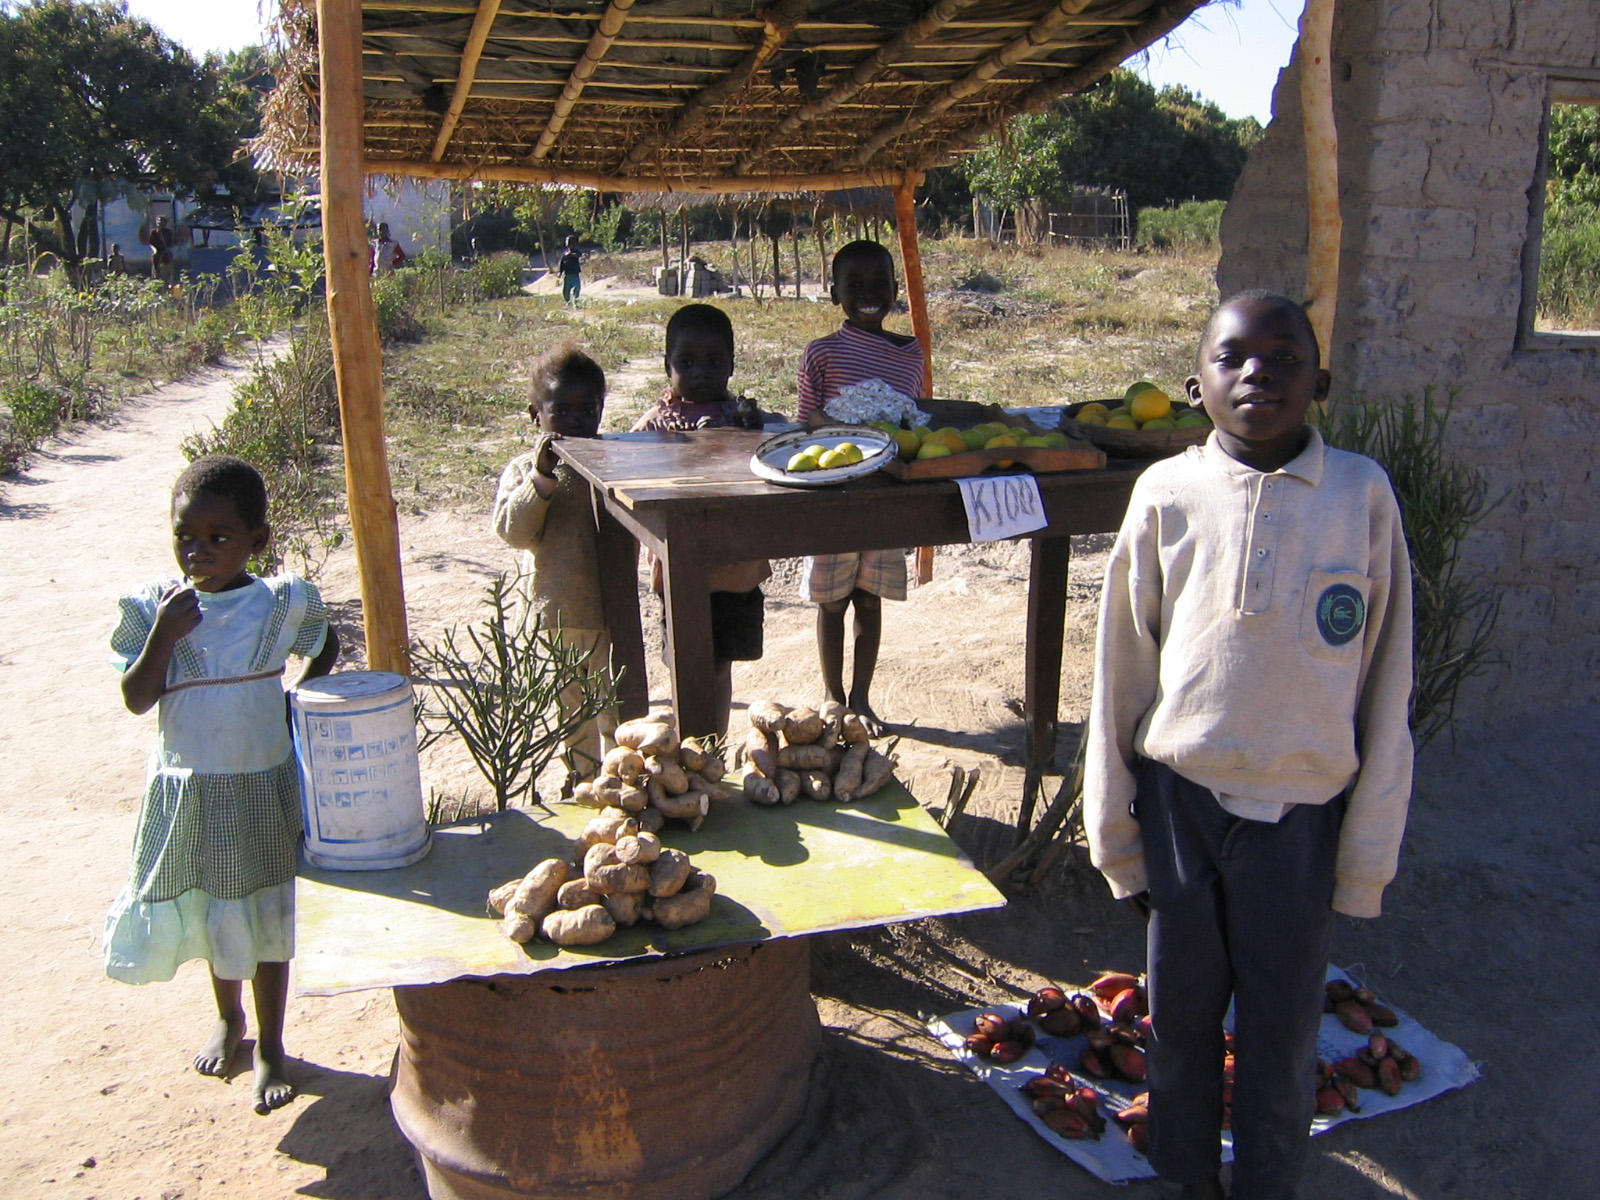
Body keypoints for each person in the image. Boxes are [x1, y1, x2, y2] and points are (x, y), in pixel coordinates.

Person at [1083, 291, 1415, 1200]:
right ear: (1198, 386)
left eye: (1284, 357)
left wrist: (1365, 857)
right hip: (1182, 808)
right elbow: (1120, 671)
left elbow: (1389, 683)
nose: (1258, 372)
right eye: (1234, 358)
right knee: (1180, 1028)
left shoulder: (1360, 496)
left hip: (1300, 826)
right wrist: (1116, 832)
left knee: (1281, 1035)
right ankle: (1189, 1183)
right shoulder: (1167, 493)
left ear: (1323, 382)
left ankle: (1269, 1185)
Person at [104, 455, 340, 1115]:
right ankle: (229, 1020)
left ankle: (271, 1043)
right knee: (216, 908)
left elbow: (325, 642)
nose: (198, 550)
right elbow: (136, 698)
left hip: (260, 784)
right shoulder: (156, 607)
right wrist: (162, 636)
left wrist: (305, 694)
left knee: (265, 913)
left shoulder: (280, 602)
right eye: (185, 536)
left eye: (219, 536)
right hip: (193, 791)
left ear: (256, 542)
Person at [795, 239, 928, 734]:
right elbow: (806, 418)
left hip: (885, 498)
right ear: (834, 294)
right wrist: (840, 428)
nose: (869, 294)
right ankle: (832, 698)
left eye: (880, 284)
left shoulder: (911, 354)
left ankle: (862, 700)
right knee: (831, 602)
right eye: (855, 285)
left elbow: (912, 421)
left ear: (897, 290)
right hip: (834, 497)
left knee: (870, 600)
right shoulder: (822, 353)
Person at [631, 304, 770, 735]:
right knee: (691, 667)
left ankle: (714, 747)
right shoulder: (654, 426)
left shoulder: (745, 417)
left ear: (731, 364)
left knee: (721, 667)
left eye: (714, 362)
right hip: (682, 576)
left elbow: (779, 449)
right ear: (666, 365)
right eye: (685, 362)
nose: (700, 372)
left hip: (737, 572)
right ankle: (692, 751)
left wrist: (752, 428)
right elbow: (625, 469)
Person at [490, 346, 617, 791]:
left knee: (615, 705)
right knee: (572, 708)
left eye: (588, 409)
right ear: (535, 415)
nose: (576, 420)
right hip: (556, 615)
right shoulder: (525, 469)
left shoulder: (611, 461)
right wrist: (541, 479)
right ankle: (582, 780)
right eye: (561, 410)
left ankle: (622, 780)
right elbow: (514, 532)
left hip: (611, 611)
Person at [147, 216, 177, 282]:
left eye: (161, 222)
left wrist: (167, 249)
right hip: (157, 251)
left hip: (166, 250)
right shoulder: (154, 232)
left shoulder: (169, 232)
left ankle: (169, 276)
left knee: (168, 257)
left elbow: (171, 243)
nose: (159, 223)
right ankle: (156, 274)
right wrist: (155, 250)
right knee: (155, 257)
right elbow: (151, 244)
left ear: (165, 223)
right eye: (158, 221)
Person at [558, 234, 582, 306]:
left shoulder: (577, 252)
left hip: (575, 274)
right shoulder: (565, 254)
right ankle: (568, 302)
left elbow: (578, 255)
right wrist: (560, 272)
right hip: (567, 275)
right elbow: (562, 264)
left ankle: (576, 301)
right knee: (566, 291)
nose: (570, 245)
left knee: (576, 288)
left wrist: (571, 254)